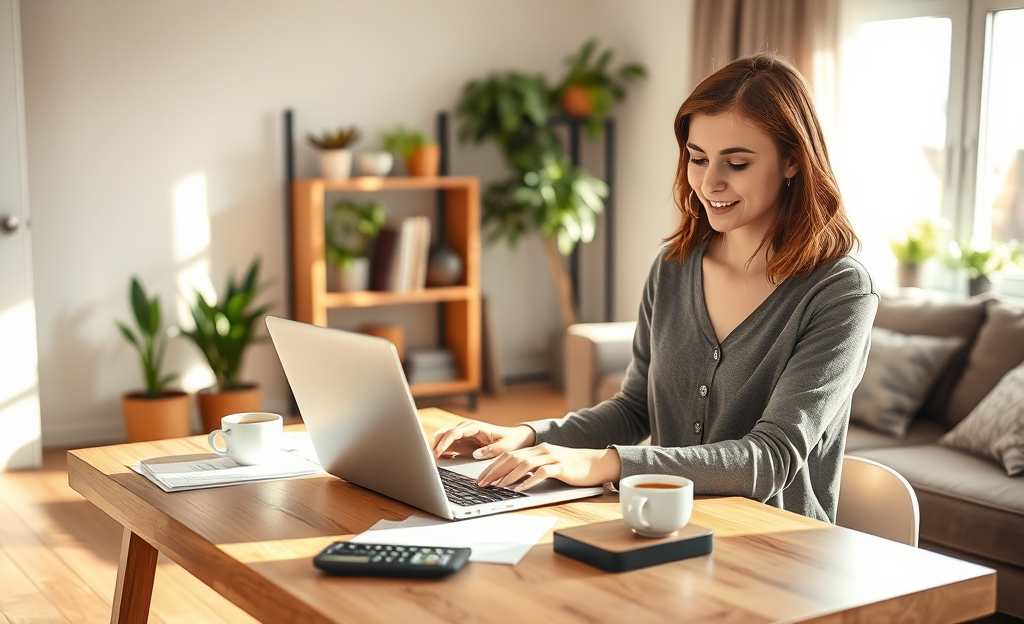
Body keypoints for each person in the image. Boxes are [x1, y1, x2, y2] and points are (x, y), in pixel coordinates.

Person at [432, 52, 878, 523]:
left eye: (737, 163)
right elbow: (634, 409)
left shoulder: (840, 291)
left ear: (792, 160)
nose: (709, 182)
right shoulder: (674, 266)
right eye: (698, 159)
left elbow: (769, 459)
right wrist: (528, 436)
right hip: (661, 526)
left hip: (773, 543)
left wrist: (604, 464)